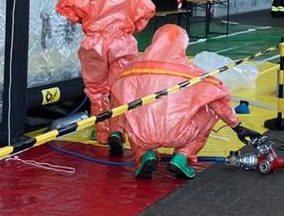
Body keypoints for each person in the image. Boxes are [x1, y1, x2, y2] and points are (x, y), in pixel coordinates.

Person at [110, 25, 262, 179]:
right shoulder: (192, 73)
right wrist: (237, 127)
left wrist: (116, 131)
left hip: (143, 135)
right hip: (181, 133)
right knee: (210, 107)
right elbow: (219, 101)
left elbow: (117, 102)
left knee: (130, 111)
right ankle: (182, 157)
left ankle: (145, 156)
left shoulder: (130, 70)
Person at [56, 0, 156, 153]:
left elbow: (65, 4)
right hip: (122, 42)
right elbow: (147, 11)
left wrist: (84, 19)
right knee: (121, 88)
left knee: (96, 90)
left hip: (94, 42)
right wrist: (130, 27)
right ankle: (117, 131)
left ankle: (101, 131)